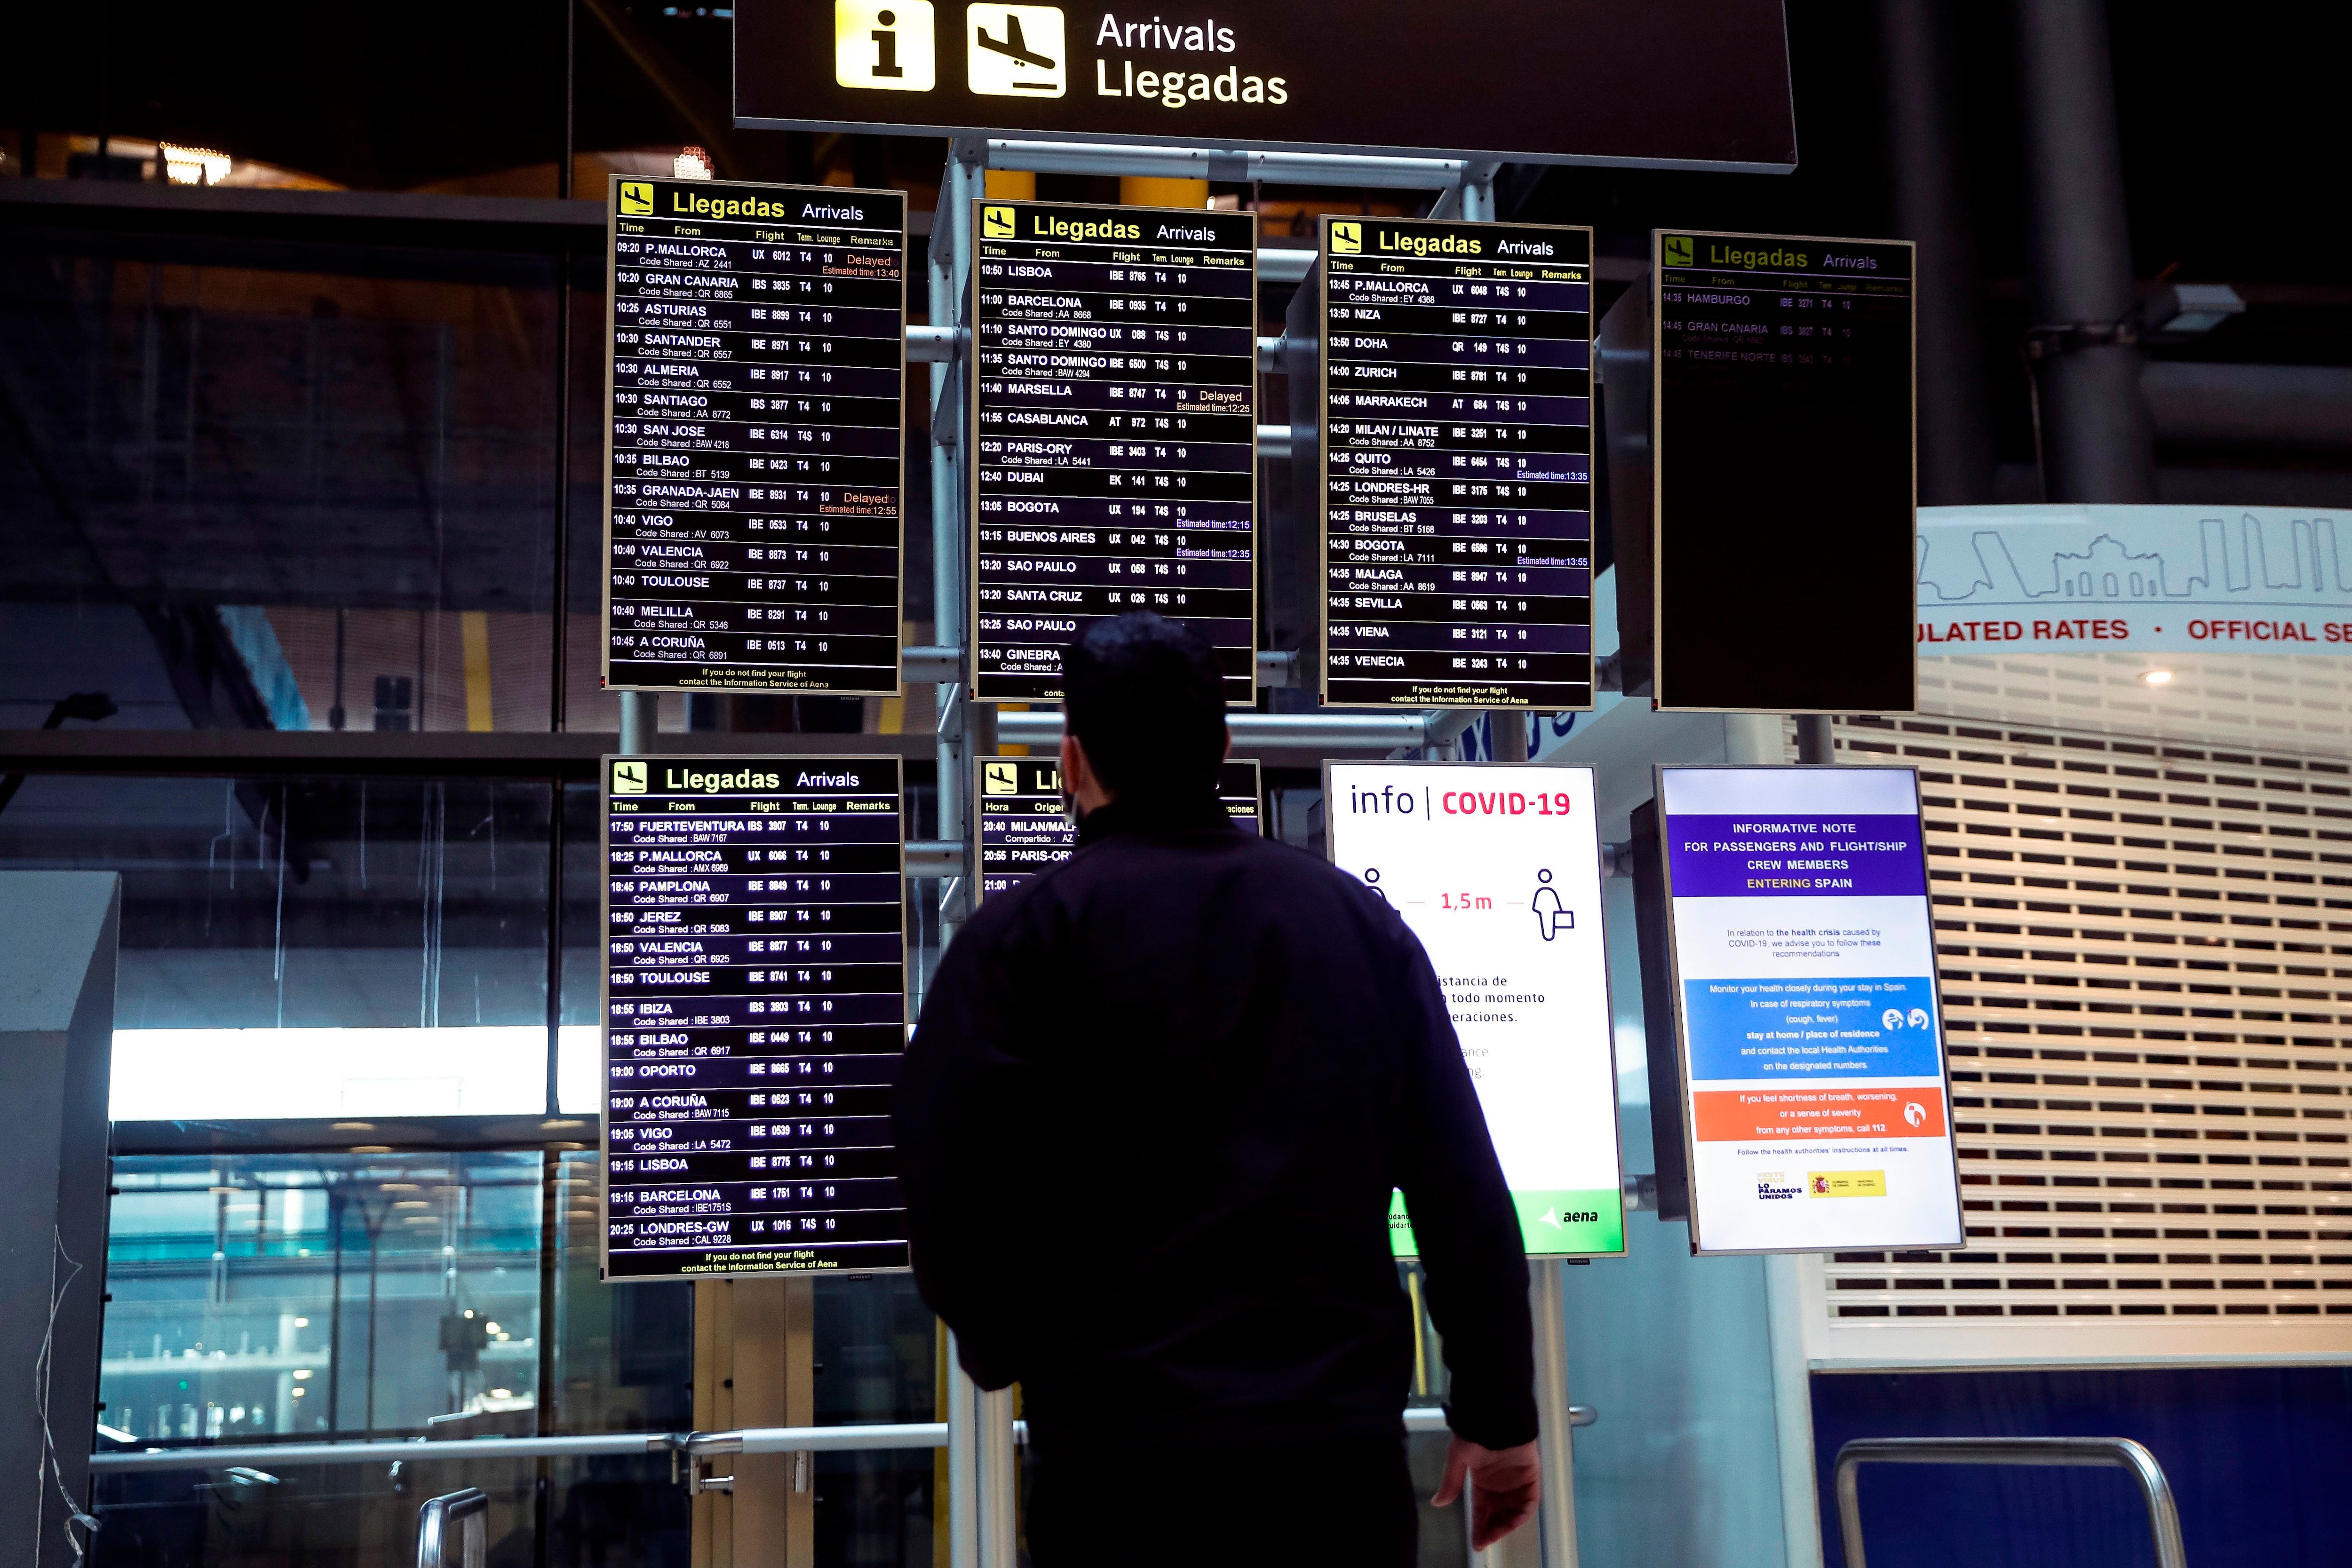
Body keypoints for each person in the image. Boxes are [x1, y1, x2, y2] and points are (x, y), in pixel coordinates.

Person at [894, 613, 1541, 1565]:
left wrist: (1014, 1349)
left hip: (1120, 1465)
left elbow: (940, 1178)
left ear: (1072, 761)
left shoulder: (1019, 943)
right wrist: (1496, 1407)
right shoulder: (1356, 926)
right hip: (1337, 1470)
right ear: (1224, 750)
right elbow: (1461, 1189)